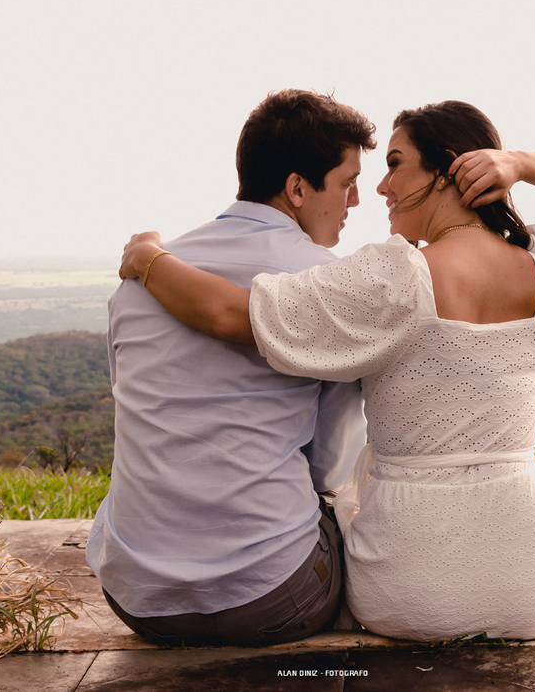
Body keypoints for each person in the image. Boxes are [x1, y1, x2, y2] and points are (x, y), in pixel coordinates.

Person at [118, 100, 535, 641]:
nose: (381, 188)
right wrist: (520, 164)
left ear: (451, 169)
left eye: (396, 163)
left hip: (411, 587)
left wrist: (149, 259)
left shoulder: (394, 279)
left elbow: (228, 312)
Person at [85, 89, 377, 647]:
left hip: (138, 600)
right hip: (270, 597)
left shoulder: (139, 282)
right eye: (346, 183)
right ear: (297, 188)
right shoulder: (324, 283)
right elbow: (329, 467)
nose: (355, 201)